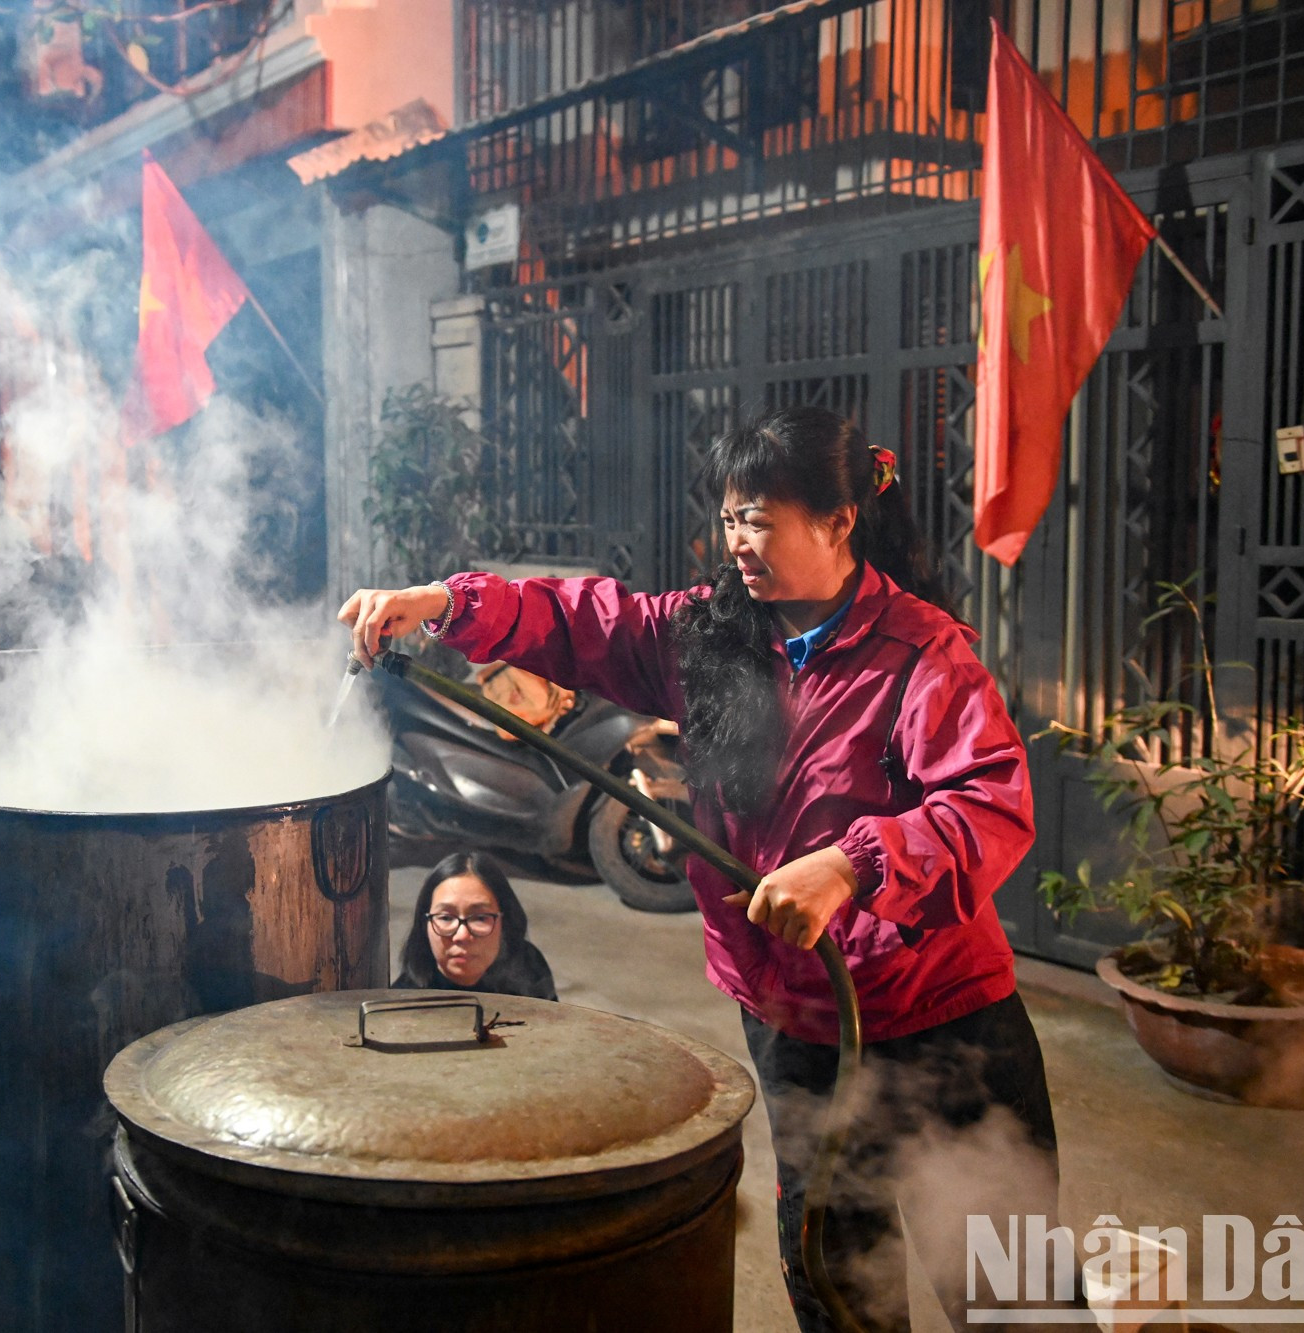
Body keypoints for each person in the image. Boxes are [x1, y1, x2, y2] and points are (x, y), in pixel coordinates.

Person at [340, 406, 1062, 1333]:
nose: (738, 543)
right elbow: (582, 617)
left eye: (758, 520)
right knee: (837, 1275)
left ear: (839, 521)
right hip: (796, 1021)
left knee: (1010, 1289)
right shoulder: (709, 632)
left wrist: (853, 862)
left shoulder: (923, 656)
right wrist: (445, 602)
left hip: (939, 1020)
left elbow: (990, 805)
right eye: (729, 519)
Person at [393, 852, 558, 1001]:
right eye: (445, 917)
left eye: (480, 918)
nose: (462, 935)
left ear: (505, 923)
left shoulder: (528, 967)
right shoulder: (404, 1003)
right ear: (425, 925)